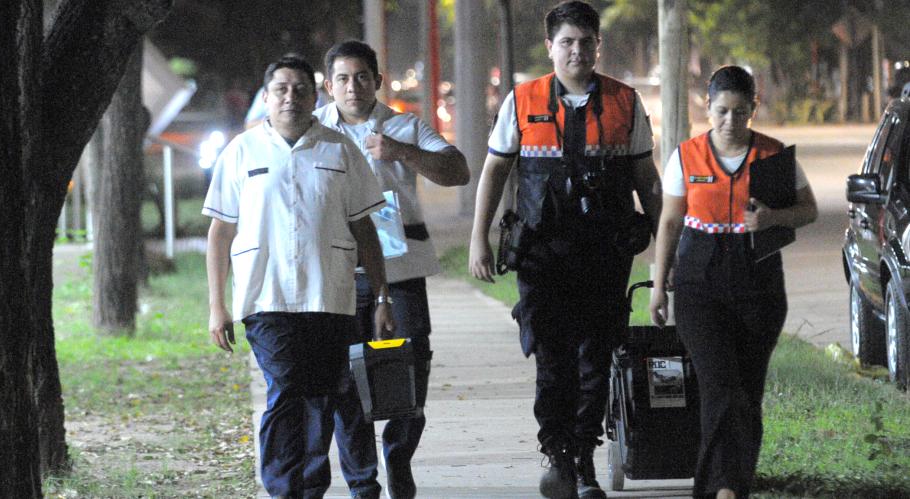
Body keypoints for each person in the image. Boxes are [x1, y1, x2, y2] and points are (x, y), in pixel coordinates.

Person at [468, 2, 662, 498]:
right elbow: (495, 170)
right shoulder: (522, 100)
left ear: (599, 45)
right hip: (541, 254)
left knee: (595, 358)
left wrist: (666, 250)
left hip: (604, 253)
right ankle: (557, 454)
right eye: (567, 42)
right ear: (550, 46)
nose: (577, 51)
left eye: (586, 41)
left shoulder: (624, 102)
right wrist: (478, 239)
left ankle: (582, 457)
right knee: (552, 359)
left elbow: (646, 179)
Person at [204, 55, 395, 498]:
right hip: (265, 296)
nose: (290, 97)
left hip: (328, 295)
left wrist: (382, 297)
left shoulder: (340, 150)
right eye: (281, 89)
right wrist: (217, 305)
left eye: (300, 89)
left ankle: (309, 487)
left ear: (315, 97)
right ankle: (282, 488)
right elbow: (220, 231)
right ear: (266, 97)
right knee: (287, 387)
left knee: (321, 396)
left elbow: (365, 228)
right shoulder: (241, 151)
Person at [648, 66, 818, 499]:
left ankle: (732, 485)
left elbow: (808, 210)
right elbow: (669, 223)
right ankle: (720, 489)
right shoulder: (686, 156)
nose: (730, 121)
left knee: (747, 390)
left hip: (758, 281)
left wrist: (773, 218)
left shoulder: (773, 156)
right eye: (722, 111)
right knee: (720, 385)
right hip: (699, 281)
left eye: (740, 112)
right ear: (707, 108)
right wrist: (658, 286)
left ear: (753, 109)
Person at [313, 40, 470, 499]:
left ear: (378, 81)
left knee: (411, 364)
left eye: (362, 77)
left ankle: (398, 455)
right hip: (338, 273)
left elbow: (457, 170)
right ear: (329, 86)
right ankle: (363, 481)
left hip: (400, 270)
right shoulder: (314, 130)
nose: (353, 87)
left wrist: (401, 151)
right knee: (346, 378)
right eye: (343, 79)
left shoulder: (404, 126)